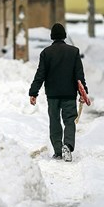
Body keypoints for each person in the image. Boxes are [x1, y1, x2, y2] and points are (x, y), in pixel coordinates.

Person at [28, 23, 88, 162]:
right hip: (69, 94)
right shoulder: (74, 52)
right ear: (64, 36)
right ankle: (67, 145)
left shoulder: (46, 53)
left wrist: (33, 92)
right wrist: (83, 92)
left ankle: (58, 151)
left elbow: (40, 74)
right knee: (69, 121)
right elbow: (79, 75)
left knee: (54, 121)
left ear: (52, 37)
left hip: (53, 95)